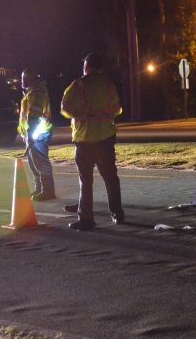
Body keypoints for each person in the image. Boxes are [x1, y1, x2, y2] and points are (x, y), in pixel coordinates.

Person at [60, 52, 125, 231]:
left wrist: (81, 114)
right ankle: (117, 214)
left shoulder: (78, 85)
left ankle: (86, 218)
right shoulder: (109, 86)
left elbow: (64, 108)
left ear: (87, 66)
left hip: (85, 139)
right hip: (105, 138)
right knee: (111, 178)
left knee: (86, 181)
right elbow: (117, 109)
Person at [18, 68, 55, 201]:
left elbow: (35, 112)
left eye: (23, 77)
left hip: (38, 132)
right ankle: (40, 188)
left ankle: (48, 191)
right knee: (34, 163)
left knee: (40, 162)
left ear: (29, 78)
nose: (22, 80)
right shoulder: (32, 91)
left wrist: (30, 130)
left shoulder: (38, 91)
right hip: (33, 131)